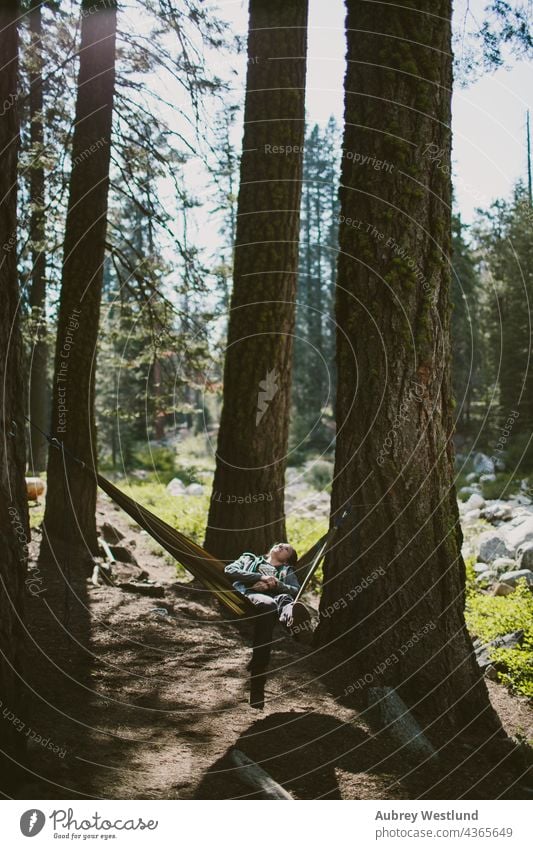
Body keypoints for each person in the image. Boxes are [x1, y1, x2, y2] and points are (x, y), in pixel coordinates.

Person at [225, 542, 311, 708]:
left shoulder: (287, 570)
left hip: (278, 597)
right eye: (280, 544)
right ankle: (259, 672)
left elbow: (295, 589)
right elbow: (230, 570)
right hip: (253, 594)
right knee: (269, 605)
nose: (281, 546)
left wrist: (277, 584)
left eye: (286, 549)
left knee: (285, 600)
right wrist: (261, 578)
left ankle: (293, 620)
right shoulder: (249, 558)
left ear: (287, 561)